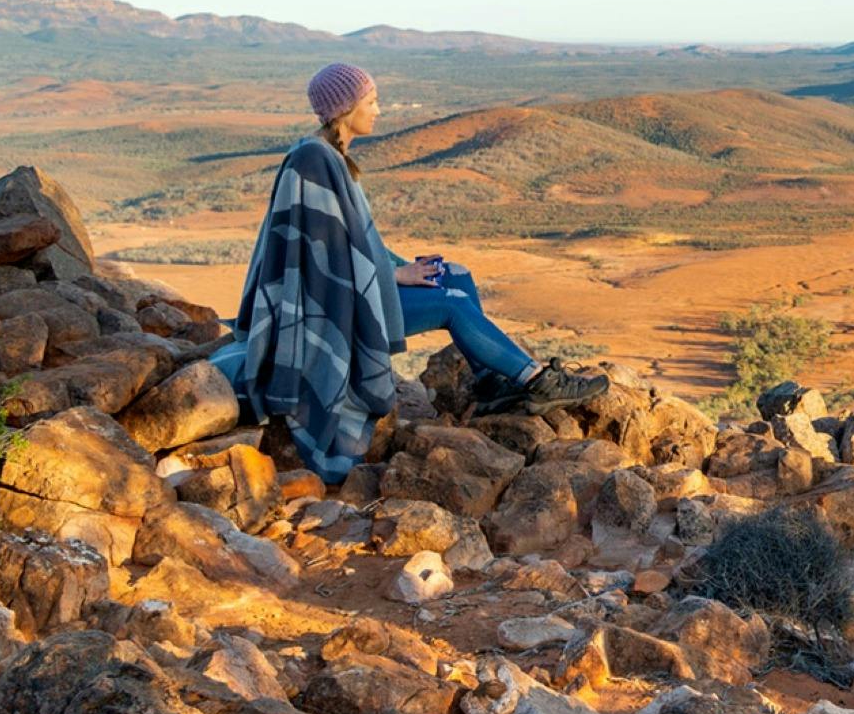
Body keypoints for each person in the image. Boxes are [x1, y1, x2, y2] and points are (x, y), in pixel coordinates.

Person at [213, 61, 607, 482]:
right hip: (335, 312)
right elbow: (323, 257)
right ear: (345, 108)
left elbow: (362, 242)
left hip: (357, 291)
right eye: (371, 101)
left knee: (453, 274)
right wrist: (393, 276)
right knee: (451, 304)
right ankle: (539, 381)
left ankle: (491, 382)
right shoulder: (313, 159)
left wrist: (402, 267)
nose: (378, 109)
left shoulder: (332, 157)